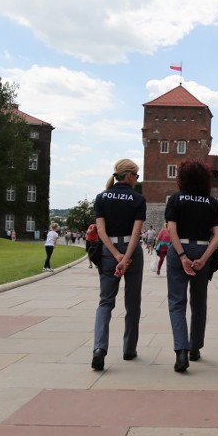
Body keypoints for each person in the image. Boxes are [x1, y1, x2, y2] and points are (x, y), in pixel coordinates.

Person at [165, 160, 218, 373]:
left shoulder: (176, 199)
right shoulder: (211, 202)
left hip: (179, 250)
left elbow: (172, 229)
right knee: (199, 303)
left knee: (176, 303)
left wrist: (182, 255)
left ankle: (181, 351)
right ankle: (195, 347)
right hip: (202, 250)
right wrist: (205, 257)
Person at [90, 159, 146, 371]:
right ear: (130, 175)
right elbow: (135, 233)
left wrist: (115, 255)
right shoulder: (138, 198)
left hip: (108, 250)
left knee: (105, 302)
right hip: (131, 252)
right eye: (137, 176)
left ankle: (99, 349)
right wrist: (126, 258)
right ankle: (129, 348)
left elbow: (101, 231)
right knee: (132, 303)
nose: (136, 180)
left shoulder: (102, 197)